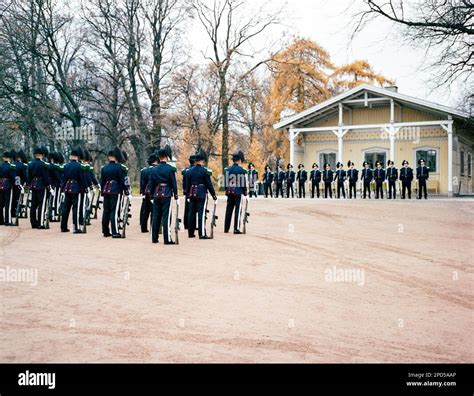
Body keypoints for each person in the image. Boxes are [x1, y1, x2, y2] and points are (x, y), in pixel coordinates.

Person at [149, 146, 178, 244]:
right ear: (166, 156)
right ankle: (167, 239)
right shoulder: (170, 169)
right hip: (166, 194)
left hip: (156, 194)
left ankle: (154, 238)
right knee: (166, 217)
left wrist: (151, 196)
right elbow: (173, 183)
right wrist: (176, 195)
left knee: (156, 217)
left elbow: (151, 184)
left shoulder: (154, 169)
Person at [186, 149, 217, 239]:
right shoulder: (204, 171)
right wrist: (214, 195)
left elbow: (187, 185)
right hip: (201, 193)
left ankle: (191, 233)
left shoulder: (189, 171)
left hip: (192, 193)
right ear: (202, 161)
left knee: (191, 213)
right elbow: (209, 184)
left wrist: (187, 195)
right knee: (201, 213)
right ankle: (202, 233)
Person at [100, 147, 129, 238]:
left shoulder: (104, 168)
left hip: (106, 189)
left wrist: (102, 191)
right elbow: (123, 180)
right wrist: (126, 190)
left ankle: (105, 231)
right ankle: (115, 231)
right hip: (115, 190)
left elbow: (102, 181)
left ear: (109, 157)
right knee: (114, 211)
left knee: (106, 211)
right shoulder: (119, 167)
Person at [60, 147, 89, 234]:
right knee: (75, 208)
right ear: (77, 156)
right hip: (76, 188)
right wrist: (86, 188)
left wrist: (62, 189)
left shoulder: (66, 166)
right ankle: (76, 227)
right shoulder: (80, 166)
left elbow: (63, 179)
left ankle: (63, 226)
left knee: (66, 208)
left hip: (67, 188)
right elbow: (82, 179)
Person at [224, 151, 247, 234]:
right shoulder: (241, 170)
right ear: (239, 160)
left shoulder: (228, 169)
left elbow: (225, 181)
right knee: (238, 209)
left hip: (230, 190)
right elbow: (243, 182)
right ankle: (236, 228)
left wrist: (226, 190)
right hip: (238, 191)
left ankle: (226, 228)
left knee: (229, 209)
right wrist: (245, 192)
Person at [27, 146, 51, 229]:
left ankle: (33, 223)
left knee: (33, 205)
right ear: (42, 155)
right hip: (41, 185)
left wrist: (29, 185)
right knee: (42, 204)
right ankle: (40, 223)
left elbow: (29, 176)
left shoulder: (30, 164)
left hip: (33, 185)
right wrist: (49, 186)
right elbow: (45, 177)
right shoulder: (44, 164)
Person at [140, 152, 159, 233]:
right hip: (155, 192)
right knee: (154, 211)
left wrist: (143, 192)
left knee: (145, 211)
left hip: (146, 192)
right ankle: (153, 227)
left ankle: (143, 228)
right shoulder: (157, 169)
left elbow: (142, 183)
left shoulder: (144, 170)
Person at [0, 150, 19, 226]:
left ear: (3, 158)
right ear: (9, 158)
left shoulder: (0, 165)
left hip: (0, 184)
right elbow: (13, 178)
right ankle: (8, 220)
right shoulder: (11, 166)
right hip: (7, 185)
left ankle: (1, 220)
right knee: (8, 203)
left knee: (0, 204)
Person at [12, 149, 28, 221]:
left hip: (12, 183)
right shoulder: (22, 165)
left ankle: (12, 211)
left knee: (12, 198)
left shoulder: (12, 164)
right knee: (19, 197)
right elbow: (24, 176)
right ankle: (18, 211)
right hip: (19, 183)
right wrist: (25, 182)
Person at [181, 155, 196, 230]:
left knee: (187, 208)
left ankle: (186, 224)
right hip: (194, 190)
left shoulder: (186, 170)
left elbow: (184, 181)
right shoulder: (194, 170)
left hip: (187, 191)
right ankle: (193, 224)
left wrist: (184, 190)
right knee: (194, 209)